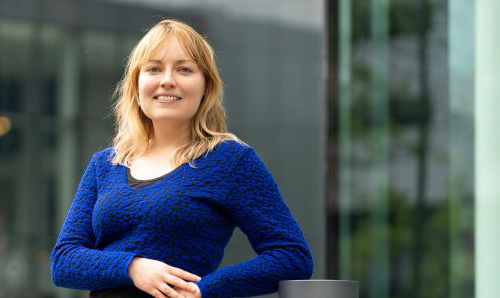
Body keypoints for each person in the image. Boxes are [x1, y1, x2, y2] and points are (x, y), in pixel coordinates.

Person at [50, 19, 313, 298]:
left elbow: (291, 257)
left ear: (206, 88)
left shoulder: (231, 161)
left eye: (184, 69)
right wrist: (133, 268)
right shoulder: (105, 165)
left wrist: (204, 290)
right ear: (136, 86)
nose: (167, 80)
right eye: (153, 69)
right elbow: (64, 261)